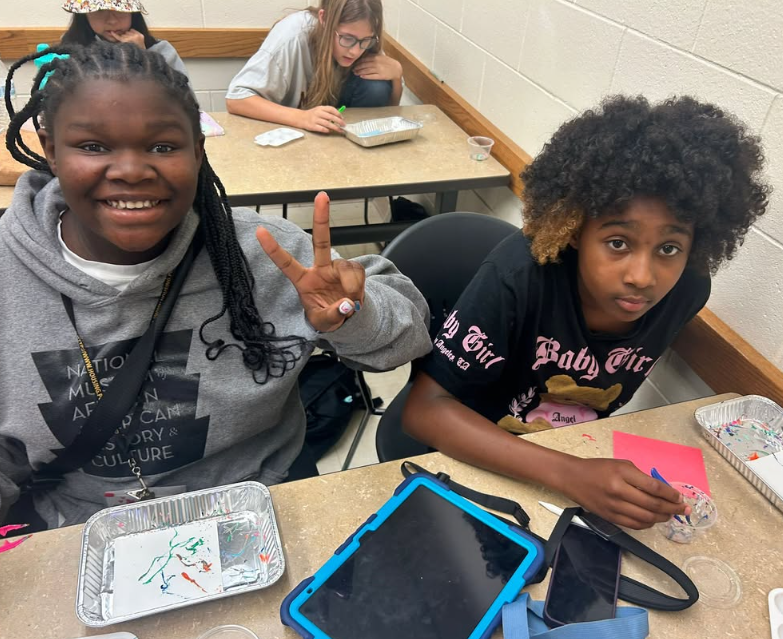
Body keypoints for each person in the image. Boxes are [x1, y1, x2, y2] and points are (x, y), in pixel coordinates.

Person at [0, 41, 430, 531]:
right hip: (81, 527)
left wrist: (357, 318)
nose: (132, 171)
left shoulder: (265, 252)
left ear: (199, 151)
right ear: (50, 149)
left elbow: (409, 336)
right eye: (93, 146)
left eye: (163, 146)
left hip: (263, 499)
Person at [402, 95, 769, 530]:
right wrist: (571, 475)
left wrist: (580, 472)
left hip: (575, 453)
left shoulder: (686, 289)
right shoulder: (519, 274)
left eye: (669, 248)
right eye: (618, 242)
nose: (642, 276)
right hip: (477, 459)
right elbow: (423, 410)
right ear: (575, 230)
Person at [226, 0, 403, 133]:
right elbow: (236, 99)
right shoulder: (292, 36)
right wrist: (302, 117)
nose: (355, 51)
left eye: (364, 40)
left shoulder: (366, 40)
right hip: (290, 126)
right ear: (324, 19)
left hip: (334, 126)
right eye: (347, 38)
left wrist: (396, 77)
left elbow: (389, 110)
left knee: (377, 87)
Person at [60, 0, 190, 79]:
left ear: (133, 13)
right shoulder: (69, 50)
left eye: (120, 10)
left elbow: (184, 102)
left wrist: (142, 57)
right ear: (84, 16)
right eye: (100, 10)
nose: (112, 20)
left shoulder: (161, 50)